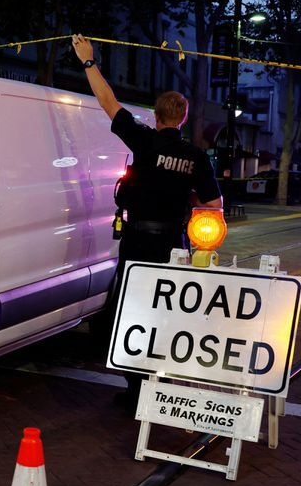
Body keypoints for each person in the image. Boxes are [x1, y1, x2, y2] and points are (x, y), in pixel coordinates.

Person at [71, 34, 222, 412]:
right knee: (166, 315)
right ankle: (162, 387)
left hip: (138, 243)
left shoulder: (144, 141)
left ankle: (137, 389)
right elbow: (214, 206)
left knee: (133, 313)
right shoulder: (197, 157)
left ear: (155, 116)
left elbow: (107, 102)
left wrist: (89, 62)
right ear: (183, 118)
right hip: (174, 245)